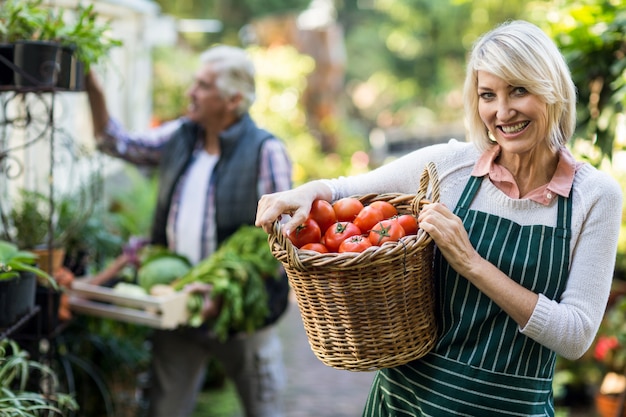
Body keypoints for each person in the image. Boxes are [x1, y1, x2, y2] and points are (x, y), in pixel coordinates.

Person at [255, 20, 623, 416]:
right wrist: (303, 193)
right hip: (405, 402)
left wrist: (471, 263)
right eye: (487, 94)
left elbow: (575, 335)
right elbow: (343, 189)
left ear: (551, 91)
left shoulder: (593, 196)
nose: (502, 111)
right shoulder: (451, 168)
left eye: (519, 89)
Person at [85, 45, 292, 417]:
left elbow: (279, 239)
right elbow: (117, 143)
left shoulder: (266, 150)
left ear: (233, 100)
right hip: (177, 305)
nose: (190, 93)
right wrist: (91, 85)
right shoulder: (181, 137)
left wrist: (225, 291)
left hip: (241, 315)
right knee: (166, 408)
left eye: (203, 85)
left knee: (264, 409)